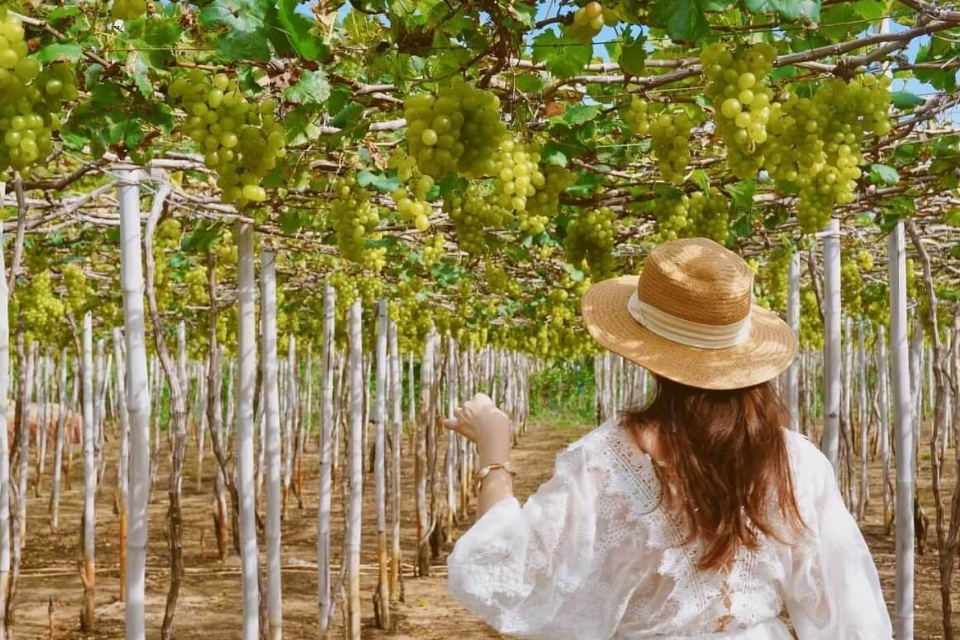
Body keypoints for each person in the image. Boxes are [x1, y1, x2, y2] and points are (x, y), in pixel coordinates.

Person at [443, 238, 892, 640]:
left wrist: (494, 454)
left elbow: (507, 578)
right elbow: (852, 616)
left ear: (646, 352)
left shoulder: (606, 465)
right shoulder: (796, 462)